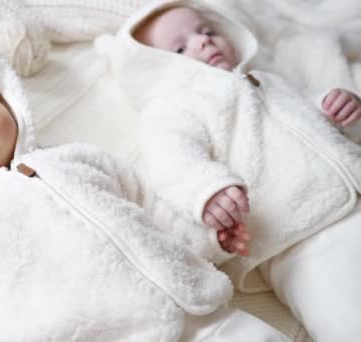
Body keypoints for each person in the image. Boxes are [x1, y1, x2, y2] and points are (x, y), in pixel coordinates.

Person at [0, 44, 289, 341]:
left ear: (8, 104)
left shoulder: (80, 160)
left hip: (205, 319)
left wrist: (207, 234)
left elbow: (154, 215)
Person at [95, 0, 361, 340]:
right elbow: (174, 163)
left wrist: (334, 106)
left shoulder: (264, 81)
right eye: (180, 46)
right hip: (300, 239)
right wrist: (209, 192)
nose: (204, 41)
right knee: (346, 314)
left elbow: (309, 119)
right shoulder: (171, 109)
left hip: (353, 194)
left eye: (207, 31)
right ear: (153, 68)